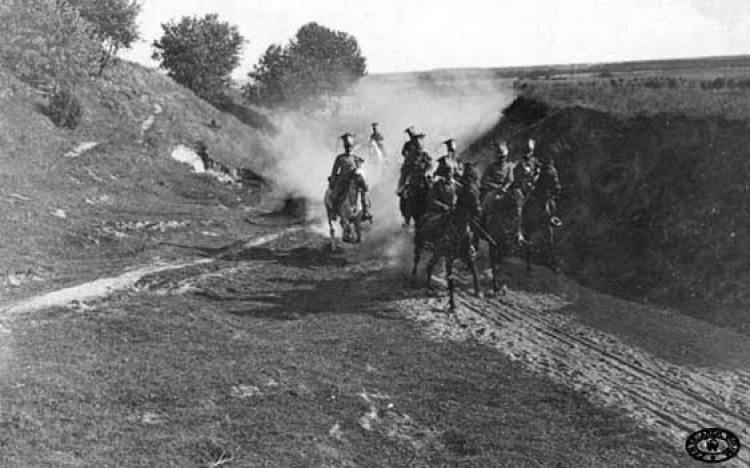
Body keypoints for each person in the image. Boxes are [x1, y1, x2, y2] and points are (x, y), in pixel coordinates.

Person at [329, 132, 372, 221]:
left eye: (350, 147)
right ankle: (333, 212)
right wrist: (333, 180)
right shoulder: (340, 158)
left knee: (364, 191)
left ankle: (366, 211)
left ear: (352, 148)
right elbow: (334, 171)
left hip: (354, 181)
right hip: (343, 180)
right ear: (344, 148)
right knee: (335, 194)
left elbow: (360, 169)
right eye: (347, 147)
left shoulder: (355, 158)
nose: (349, 149)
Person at [479, 139, 514, 215]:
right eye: (500, 157)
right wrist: (496, 187)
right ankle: (483, 219)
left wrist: (504, 188)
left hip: (505, 190)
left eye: (503, 157)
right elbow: (484, 180)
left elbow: (510, 179)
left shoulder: (509, 167)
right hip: (492, 190)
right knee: (487, 202)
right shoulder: (491, 167)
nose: (502, 159)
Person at [397, 130, 431, 195]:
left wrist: (427, 165)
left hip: (421, 168)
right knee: (404, 174)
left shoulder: (421, 147)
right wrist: (407, 156)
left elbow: (428, 159)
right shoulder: (407, 144)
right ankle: (400, 188)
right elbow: (403, 152)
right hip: (410, 165)